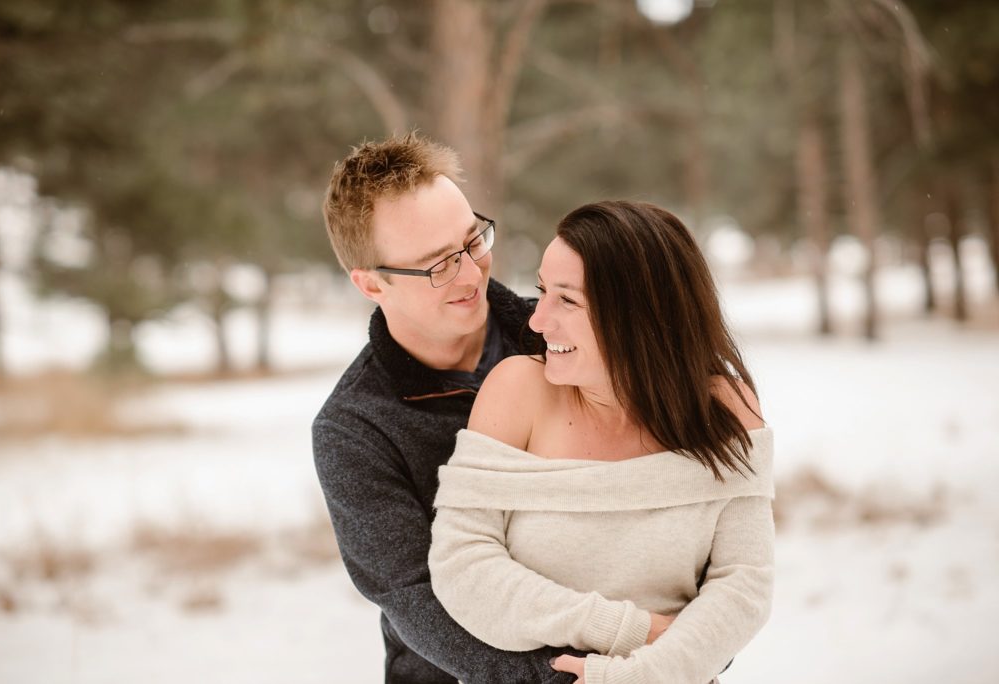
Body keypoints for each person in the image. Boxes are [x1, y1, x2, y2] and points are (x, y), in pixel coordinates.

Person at [429, 200, 775, 684]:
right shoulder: (517, 392)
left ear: (642, 315)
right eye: (542, 291)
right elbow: (462, 567)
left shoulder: (726, 409)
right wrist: (627, 630)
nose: (537, 321)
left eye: (567, 300)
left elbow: (744, 584)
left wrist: (647, 674)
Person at [312, 132, 581, 683]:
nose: (469, 273)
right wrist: (562, 679)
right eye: (436, 265)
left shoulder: (571, 336)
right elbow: (412, 596)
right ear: (369, 283)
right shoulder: (354, 428)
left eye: (473, 241)